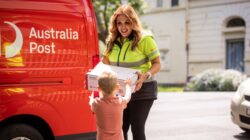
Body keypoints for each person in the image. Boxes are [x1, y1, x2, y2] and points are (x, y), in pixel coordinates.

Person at [102, 5, 161, 140]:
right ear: (115, 25)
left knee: (137, 128)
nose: (123, 27)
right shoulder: (111, 42)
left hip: (143, 89)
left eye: (127, 22)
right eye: (119, 23)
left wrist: (146, 75)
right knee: (120, 128)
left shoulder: (145, 39)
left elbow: (157, 64)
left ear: (133, 22)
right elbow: (105, 63)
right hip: (121, 90)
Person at [89, 71, 132, 140]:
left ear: (99, 88)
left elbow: (91, 102)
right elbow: (128, 96)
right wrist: (127, 85)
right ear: (117, 87)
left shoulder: (97, 103)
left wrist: (92, 95)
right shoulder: (120, 102)